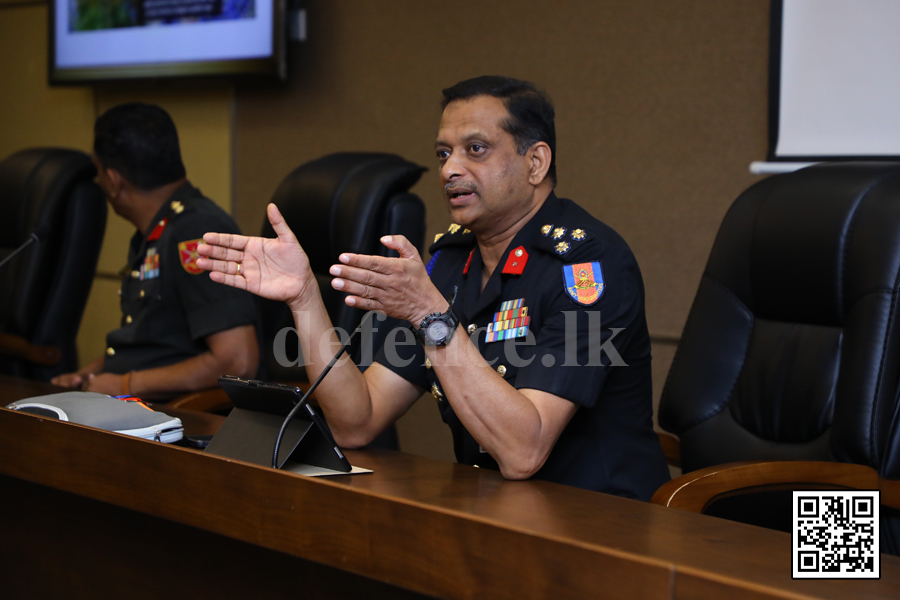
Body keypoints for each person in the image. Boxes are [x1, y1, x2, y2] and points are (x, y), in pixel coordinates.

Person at [198, 76, 669, 500]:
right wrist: (304, 297)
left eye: (476, 149)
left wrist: (431, 318)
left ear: (536, 162)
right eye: (444, 153)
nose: (449, 170)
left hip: (603, 521)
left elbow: (524, 452)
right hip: (500, 511)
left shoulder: (587, 265)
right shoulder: (450, 261)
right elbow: (357, 420)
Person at [52, 103, 259, 399]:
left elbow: (238, 361)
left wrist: (124, 386)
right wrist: (89, 375)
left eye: (98, 172)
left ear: (112, 180)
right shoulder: (159, 230)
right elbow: (154, 345)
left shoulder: (196, 232)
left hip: (172, 421)